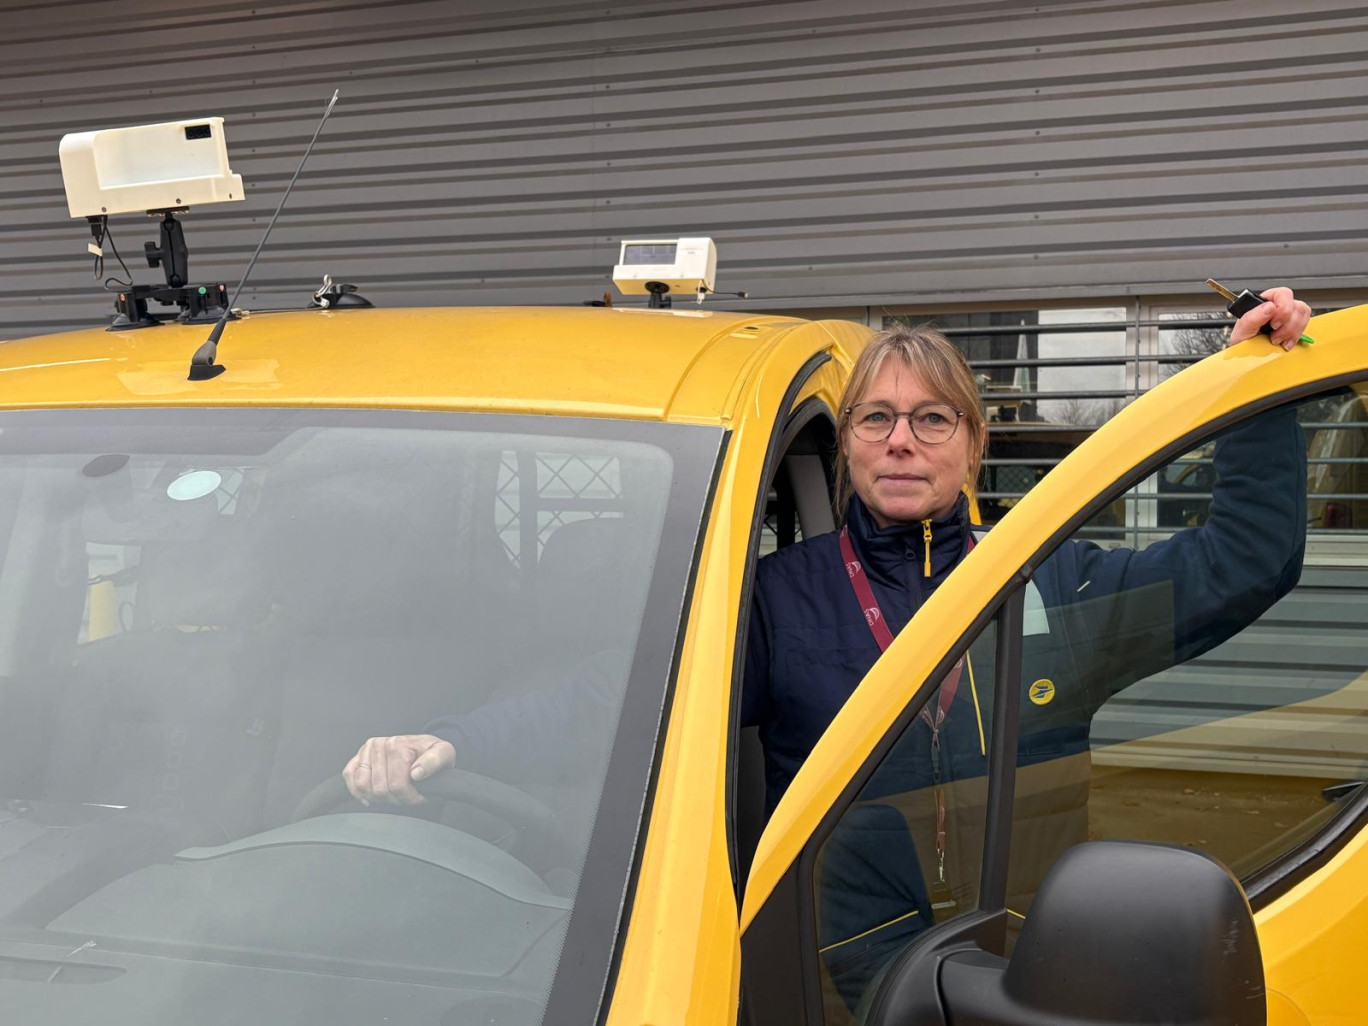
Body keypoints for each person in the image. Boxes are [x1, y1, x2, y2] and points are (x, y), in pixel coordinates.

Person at [342, 287, 1311, 1001]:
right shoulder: (778, 598)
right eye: (877, 419)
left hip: (1025, 971)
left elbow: (1242, 563)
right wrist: (456, 742)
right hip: (846, 982)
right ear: (847, 445)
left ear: (972, 444)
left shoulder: (1051, 581)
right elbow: (623, 702)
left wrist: (1261, 388)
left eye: (931, 419)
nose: (902, 441)